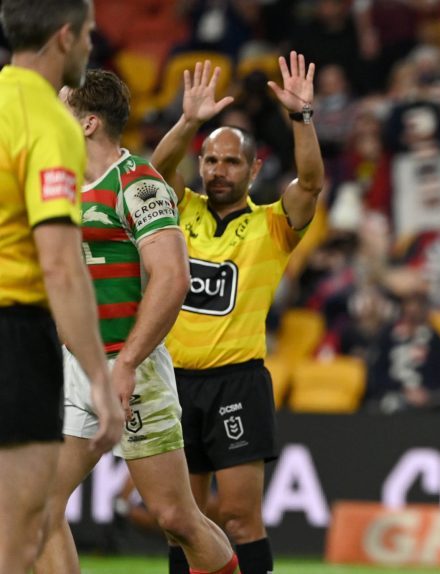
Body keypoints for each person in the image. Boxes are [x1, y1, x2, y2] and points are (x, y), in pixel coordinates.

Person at [34, 70, 239, 574]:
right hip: (75, 366)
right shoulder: (58, 181)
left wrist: (126, 363)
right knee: (35, 506)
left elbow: (172, 278)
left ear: (86, 123)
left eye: (61, 104)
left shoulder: (137, 185)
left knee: (176, 518)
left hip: (130, 368)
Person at [151, 53, 324, 574]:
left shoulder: (272, 225)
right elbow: (155, 171)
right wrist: (188, 122)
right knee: (181, 517)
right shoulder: (180, 210)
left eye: (230, 162)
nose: (217, 170)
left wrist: (302, 117)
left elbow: (311, 184)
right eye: (209, 160)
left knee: (239, 516)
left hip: (237, 382)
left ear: (254, 167)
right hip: (174, 381)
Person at [0, 1, 121, 571]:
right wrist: (100, 379)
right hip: (16, 335)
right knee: (20, 539)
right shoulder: (49, 123)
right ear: (65, 37)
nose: (92, 47)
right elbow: (61, 266)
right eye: (90, 35)